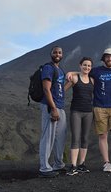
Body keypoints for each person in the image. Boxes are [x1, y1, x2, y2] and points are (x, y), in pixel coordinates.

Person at [39, 46, 67, 178]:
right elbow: (46, 89)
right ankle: (44, 168)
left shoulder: (60, 70)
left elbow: (61, 88)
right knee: (48, 137)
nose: (57, 54)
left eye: (59, 52)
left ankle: (58, 164)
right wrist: (54, 108)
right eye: (55, 52)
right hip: (51, 107)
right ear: (51, 54)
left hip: (60, 107)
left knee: (60, 137)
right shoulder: (48, 68)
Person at [64, 57, 94, 176]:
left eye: (89, 66)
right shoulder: (75, 78)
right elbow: (63, 90)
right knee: (75, 138)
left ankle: (82, 164)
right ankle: (73, 165)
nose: (87, 67)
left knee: (85, 138)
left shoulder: (92, 80)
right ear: (80, 65)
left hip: (88, 112)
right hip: (76, 112)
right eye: (85, 65)